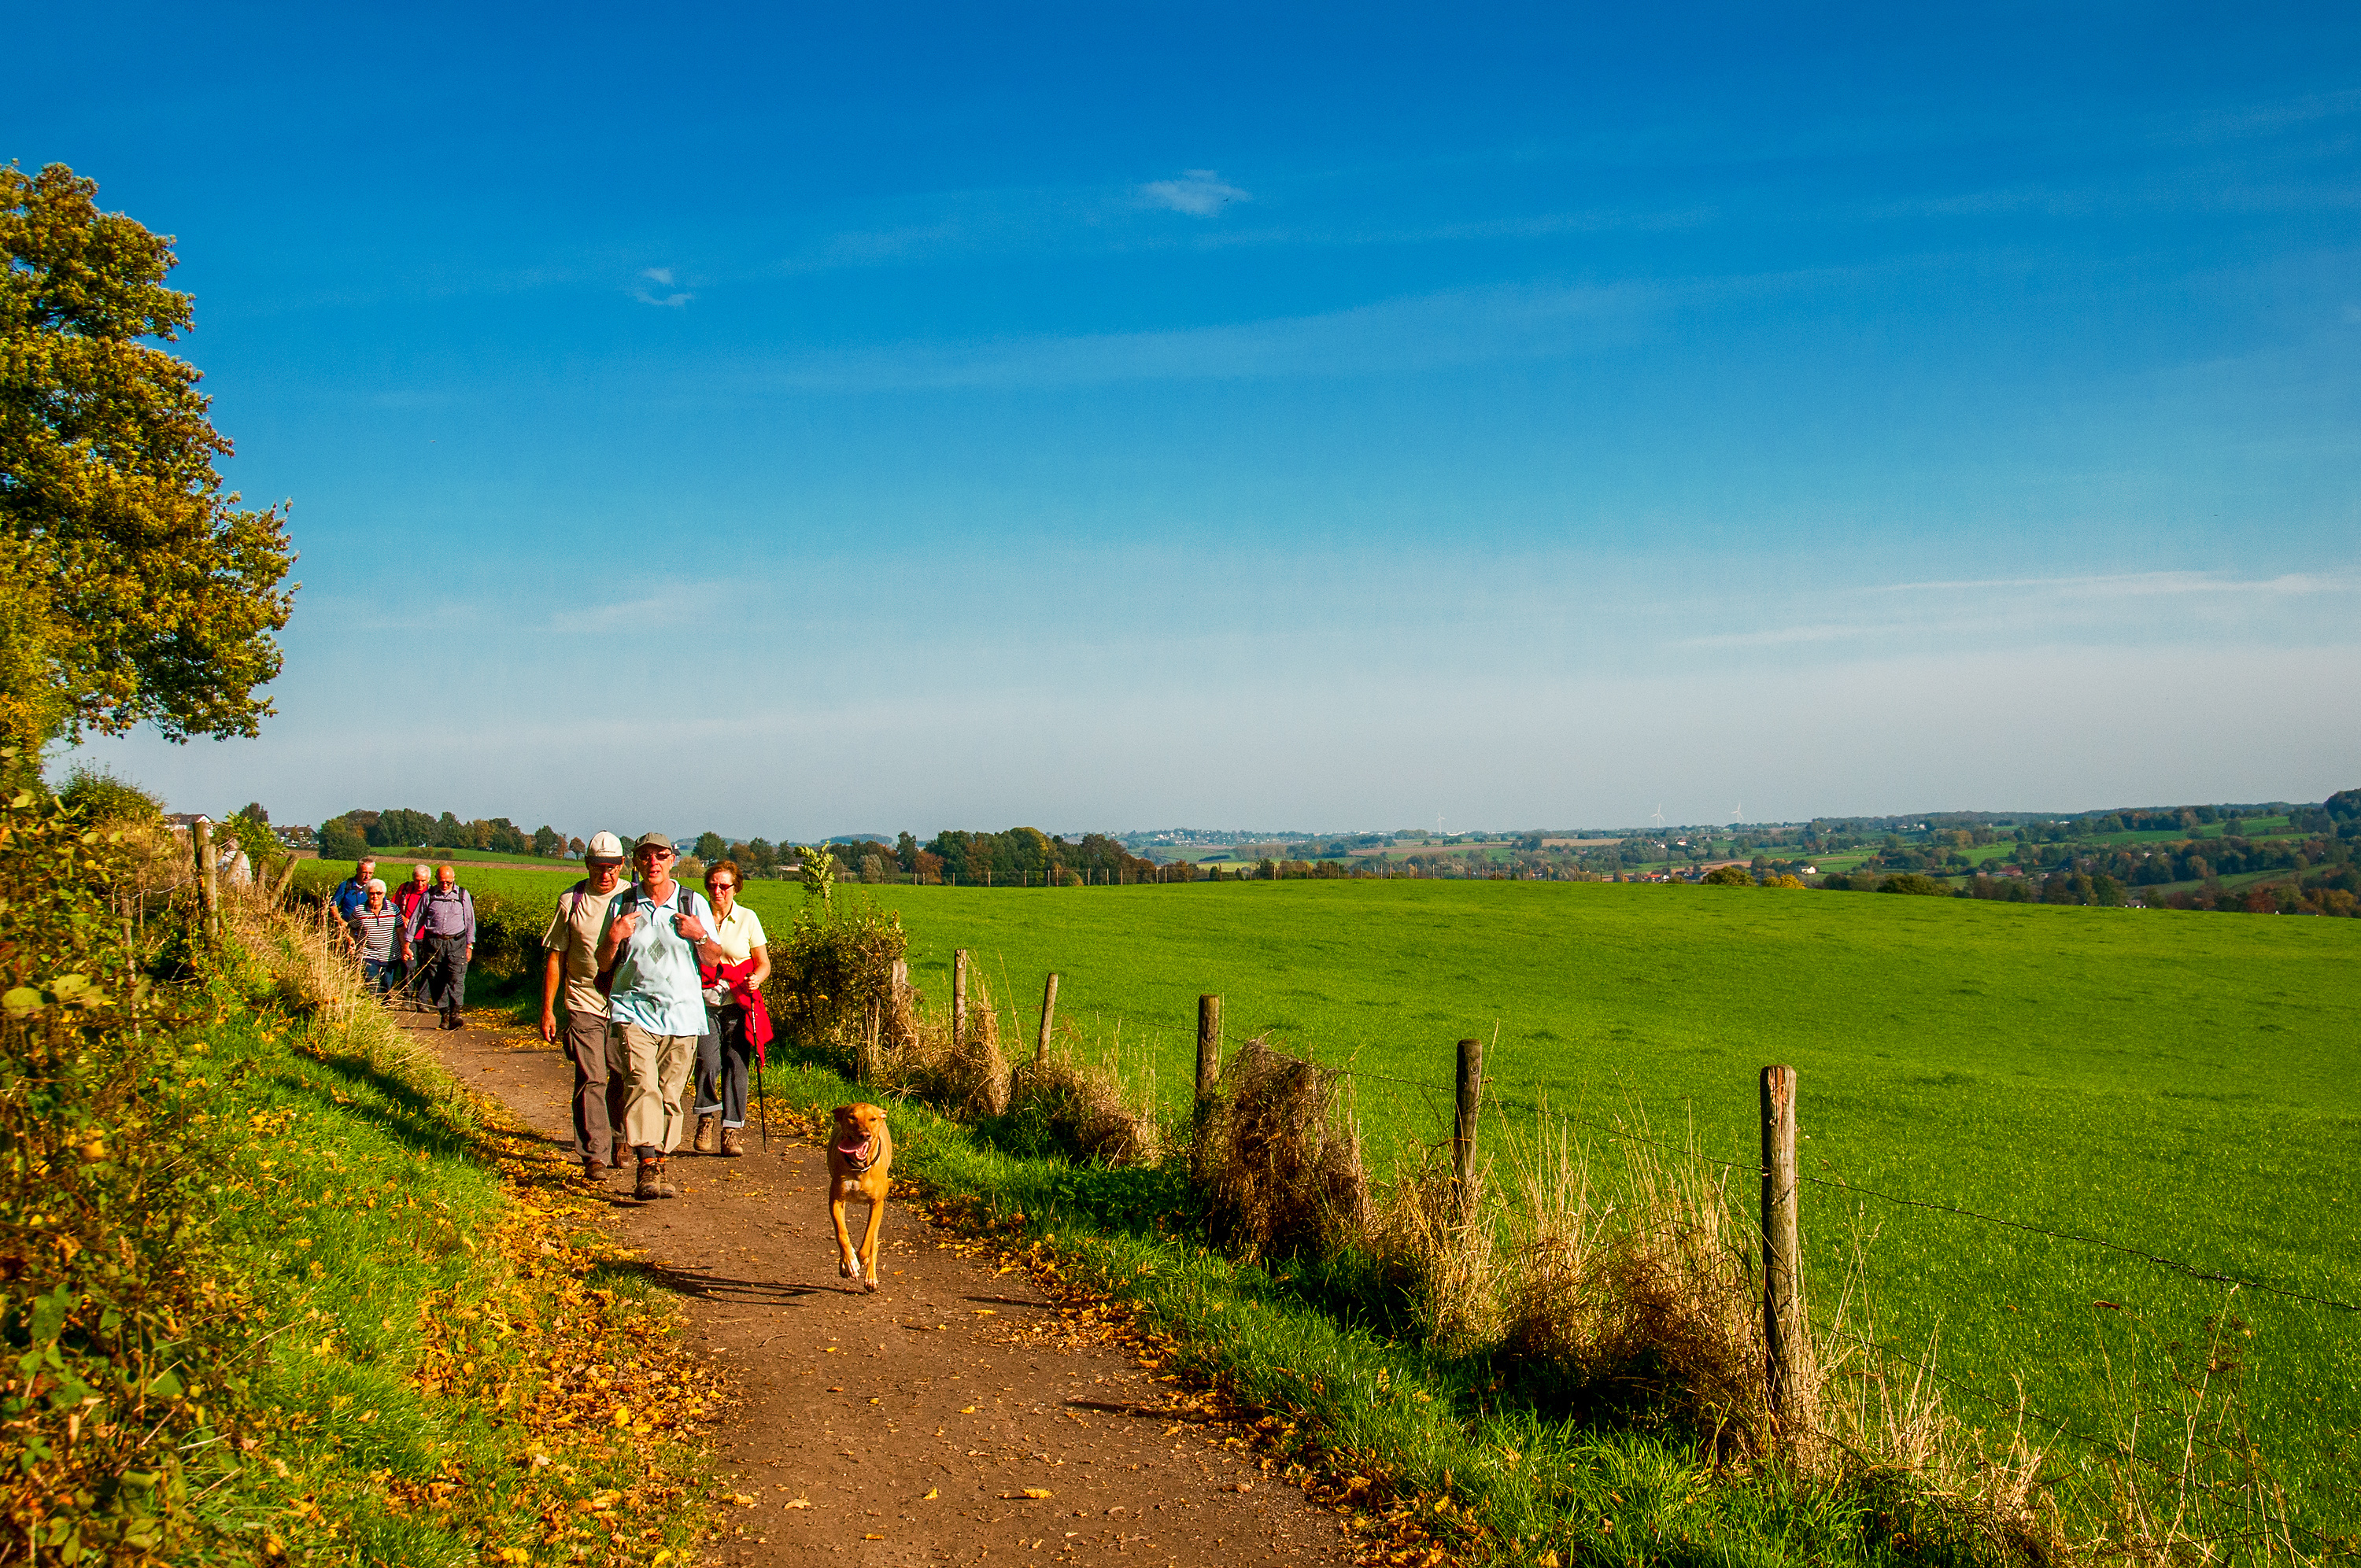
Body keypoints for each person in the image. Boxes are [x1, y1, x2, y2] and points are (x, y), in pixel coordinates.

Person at [597, 832, 727, 1201]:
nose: (653, 862)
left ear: (672, 860)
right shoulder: (623, 904)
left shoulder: (693, 903)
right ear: (636, 863)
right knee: (642, 1083)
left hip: (683, 1013)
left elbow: (714, 959)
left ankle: (660, 1160)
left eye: (661, 856)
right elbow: (603, 962)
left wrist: (700, 935)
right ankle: (646, 1163)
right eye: (645, 856)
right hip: (633, 1009)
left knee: (670, 1093)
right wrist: (613, 936)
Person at [541, 832, 631, 1182]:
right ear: (587, 864)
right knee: (592, 1076)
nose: (604, 874)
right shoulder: (571, 901)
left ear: (622, 865)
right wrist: (548, 1009)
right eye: (598, 866)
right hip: (582, 1000)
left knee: (623, 1075)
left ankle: (621, 1141)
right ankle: (594, 1153)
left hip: (624, 1003)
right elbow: (556, 957)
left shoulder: (631, 898)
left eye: (611, 867)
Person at [692, 859, 770, 1157]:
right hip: (703, 1004)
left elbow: (763, 964)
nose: (718, 891)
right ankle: (706, 1119)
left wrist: (756, 980)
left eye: (724, 886)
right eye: (712, 885)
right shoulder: (696, 917)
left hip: (737, 1003)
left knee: (737, 1064)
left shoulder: (748, 918)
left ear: (735, 888)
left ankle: (732, 1131)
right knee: (707, 1063)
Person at [405, 862, 475, 1030]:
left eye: (448, 883)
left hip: (456, 943)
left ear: (453, 880)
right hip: (434, 943)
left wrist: (469, 945)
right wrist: (407, 942)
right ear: (436, 879)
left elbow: (470, 921)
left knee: (456, 978)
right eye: (442, 882)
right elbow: (416, 919)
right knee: (435, 979)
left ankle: (455, 1013)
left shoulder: (462, 895)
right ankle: (444, 1013)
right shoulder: (428, 896)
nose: (445, 885)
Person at [346, 879, 401, 994]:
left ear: (384, 894)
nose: (375, 896)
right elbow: (351, 929)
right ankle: (373, 1007)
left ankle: (384, 1007)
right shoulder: (359, 911)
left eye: (379, 893)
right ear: (367, 894)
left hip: (390, 955)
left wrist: (405, 947)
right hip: (368, 955)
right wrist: (351, 942)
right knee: (372, 986)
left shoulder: (393, 909)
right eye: (372, 893)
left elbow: (400, 930)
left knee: (386, 986)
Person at [391, 862, 433, 991]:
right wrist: (402, 917)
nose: (419, 884)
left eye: (423, 881)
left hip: (426, 935)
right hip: (408, 936)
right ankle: (407, 996)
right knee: (409, 966)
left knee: (426, 967)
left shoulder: (433, 893)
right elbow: (392, 907)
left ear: (428, 880)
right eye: (417, 880)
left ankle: (422, 1000)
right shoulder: (404, 889)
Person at [333, 856, 377, 921]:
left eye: (370, 873)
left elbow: (383, 907)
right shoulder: (345, 886)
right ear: (357, 871)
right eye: (364, 872)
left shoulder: (376, 888)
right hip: (348, 928)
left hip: (368, 929)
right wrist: (341, 922)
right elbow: (333, 906)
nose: (367, 876)